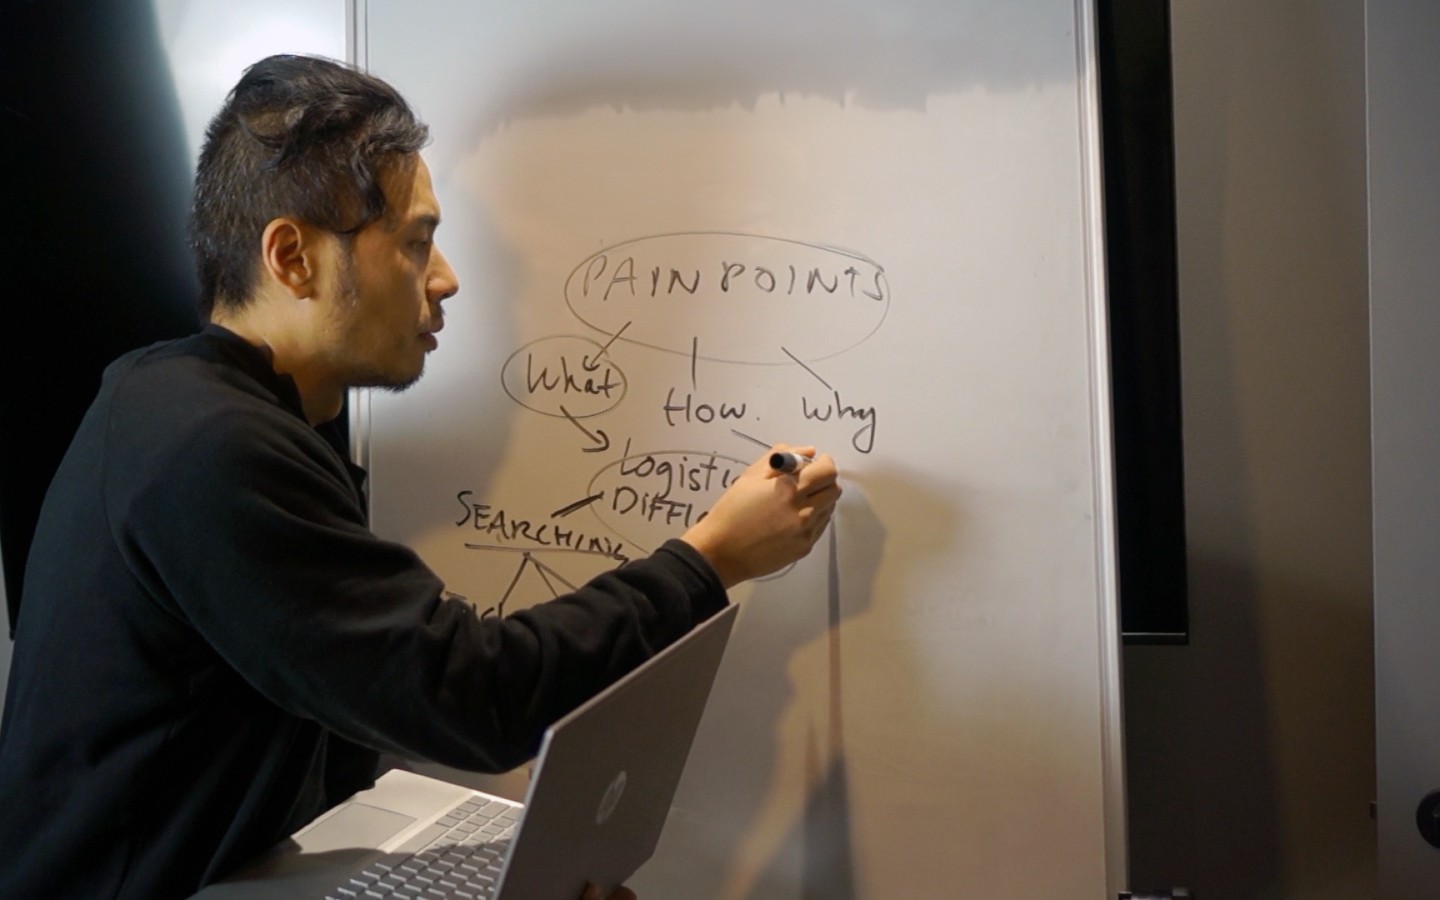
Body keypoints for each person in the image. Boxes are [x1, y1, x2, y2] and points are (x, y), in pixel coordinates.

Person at [0, 54, 840, 899]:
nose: (446, 280)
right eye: (414, 243)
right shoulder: (209, 447)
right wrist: (712, 558)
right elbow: (474, 695)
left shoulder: (206, 405)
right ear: (293, 258)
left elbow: (369, 692)